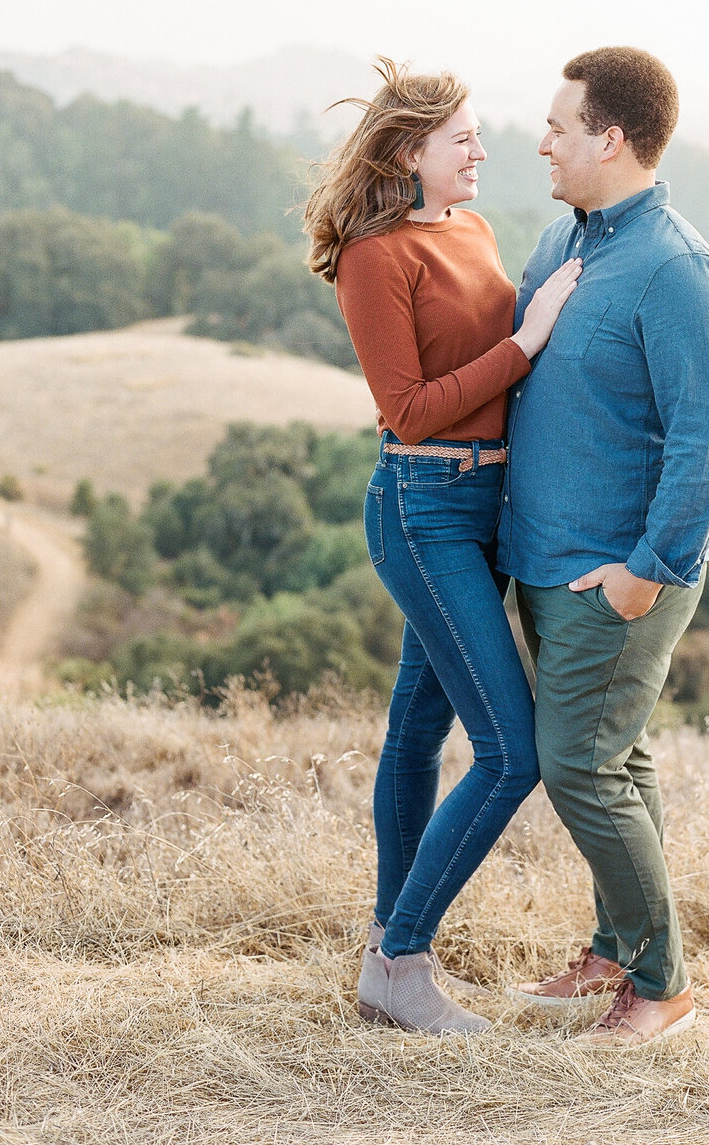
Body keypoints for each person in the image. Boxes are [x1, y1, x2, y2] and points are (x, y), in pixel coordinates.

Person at [304, 57, 580, 1036]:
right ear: (410, 151)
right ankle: (401, 957)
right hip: (423, 509)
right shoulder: (377, 258)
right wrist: (529, 338)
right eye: (463, 136)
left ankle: (388, 936)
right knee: (511, 751)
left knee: (419, 734)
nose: (482, 150)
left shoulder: (475, 229)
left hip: (489, 510)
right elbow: (410, 412)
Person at [499, 46, 709, 1048]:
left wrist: (648, 571)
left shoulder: (677, 269)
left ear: (609, 138)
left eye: (559, 125)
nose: (542, 139)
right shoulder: (567, 238)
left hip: (616, 577)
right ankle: (616, 948)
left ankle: (663, 989)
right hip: (544, 562)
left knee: (580, 770)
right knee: (616, 760)